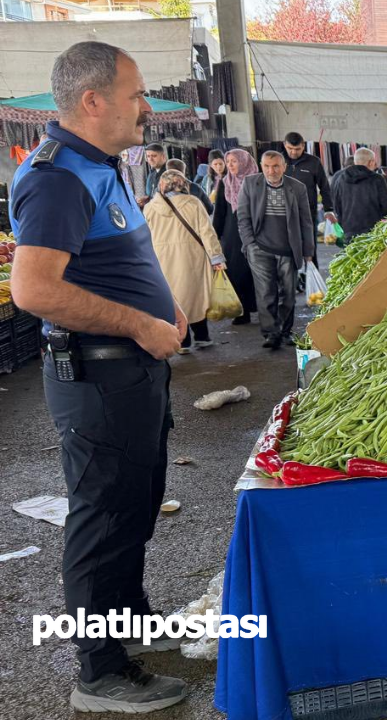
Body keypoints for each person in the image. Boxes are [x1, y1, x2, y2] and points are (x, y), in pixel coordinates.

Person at [8, 41, 189, 712]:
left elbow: (122, 254)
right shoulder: (56, 177)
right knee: (102, 518)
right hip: (98, 378)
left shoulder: (102, 166)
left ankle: (131, 624)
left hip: (133, 376)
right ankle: (99, 672)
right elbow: (33, 290)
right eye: (136, 94)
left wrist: (162, 304)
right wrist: (141, 324)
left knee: (135, 508)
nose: (146, 108)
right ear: (93, 101)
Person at [237, 150, 315, 350]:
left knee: (288, 294)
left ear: (284, 167)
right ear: (261, 166)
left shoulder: (297, 188)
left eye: (275, 166)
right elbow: (243, 217)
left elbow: (306, 221)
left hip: (288, 249)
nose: (271, 171)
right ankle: (271, 333)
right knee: (265, 293)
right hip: (260, 249)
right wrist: (250, 244)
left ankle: (286, 331)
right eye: (267, 166)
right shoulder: (250, 184)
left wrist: (308, 250)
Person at [144, 170, 226, 352]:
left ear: (161, 185)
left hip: (162, 258)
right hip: (192, 257)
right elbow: (207, 232)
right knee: (195, 296)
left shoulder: (150, 208)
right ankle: (202, 337)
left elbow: (144, 237)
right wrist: (216, 258)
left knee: (174, 297)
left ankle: (183, 340)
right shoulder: (194, 203)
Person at [211, 149, 258, 325]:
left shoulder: (257, 181)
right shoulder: (225, 183)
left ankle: (261, 308)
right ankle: (242, 311)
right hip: (232, 235)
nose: (230, 165)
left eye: (234, 161)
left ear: (244, 162)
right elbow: (220, 212)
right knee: (236, 272)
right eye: (228, 161)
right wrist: (215, 236)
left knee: (257, 271)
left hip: (255, 231)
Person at [330, 146, 387, 239]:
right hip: (373, 230)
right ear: (371, 162)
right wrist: (381, 219)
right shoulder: (377, 179)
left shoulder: (341, 178)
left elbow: (337, 205)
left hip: (348, 230)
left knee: (351, 253)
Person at [282, 131, 336, 225]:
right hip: (282, 212)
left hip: (308, 212)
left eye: (297, 149)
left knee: (309, 239)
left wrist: (328, 209)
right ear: (284, 144)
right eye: (290, 148)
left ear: (303, 146)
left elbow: (324, 187)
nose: (294, 152)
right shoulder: (278, 161)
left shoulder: (314, 162)